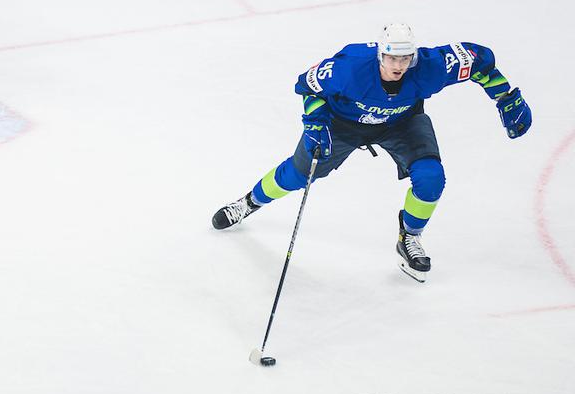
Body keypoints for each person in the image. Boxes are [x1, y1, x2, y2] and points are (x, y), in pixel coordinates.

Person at [211, 23, 532, 282]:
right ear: (380, 56)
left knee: (431, 178)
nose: (398, 66)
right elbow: (307, 86)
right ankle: (249, 202)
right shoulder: (350, 68)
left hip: (402, 123)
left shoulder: (430, 67)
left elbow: (481, 63)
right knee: (298, 173)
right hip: (341, 124)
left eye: (405, 60)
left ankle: (410, 236)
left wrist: (505, 96)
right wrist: (315, 123)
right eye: (391, 59)